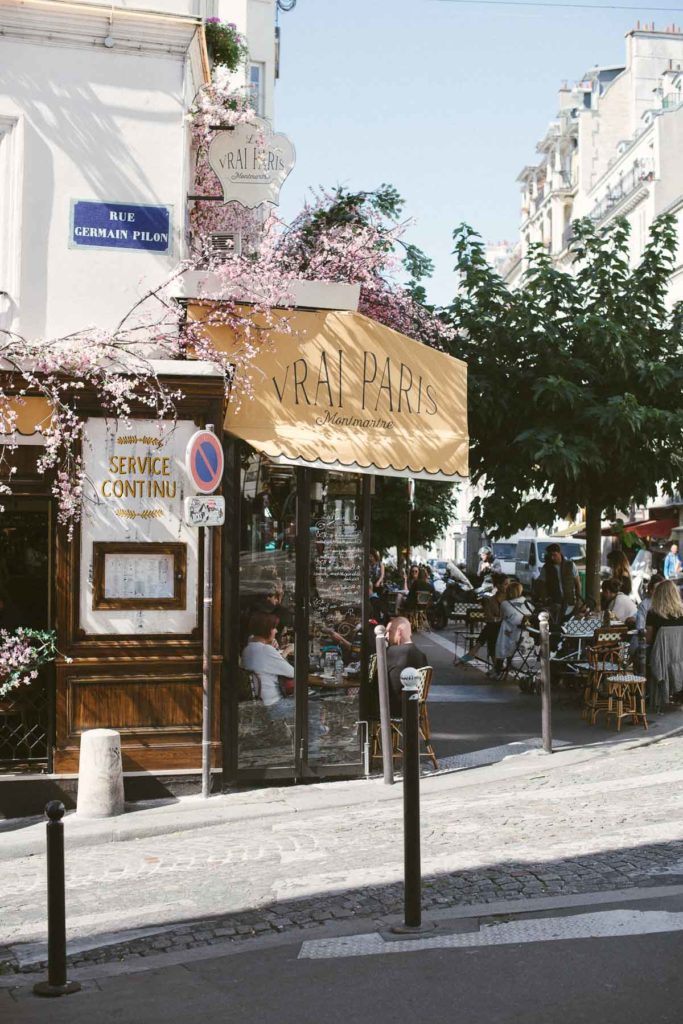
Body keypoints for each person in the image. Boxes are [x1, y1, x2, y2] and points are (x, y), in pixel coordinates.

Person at [240, 611, 294, 713]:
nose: (276, 631)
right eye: (274, 628)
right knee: (312, 706)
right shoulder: (266, 650)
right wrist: (286, 651)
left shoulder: (247, 649)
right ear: (266, 630)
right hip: (273, 705)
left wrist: (273, 650)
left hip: (259, 704)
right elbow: (292, 673)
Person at [458, 572, 508, 673]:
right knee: (491, 630)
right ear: (498, 585)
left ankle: (473, 652)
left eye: (508, 584)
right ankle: (496, 666)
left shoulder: (510, 599)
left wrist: (498, 619)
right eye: (505, 584)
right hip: (497, 628)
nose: (507, 587)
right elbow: (488, 616)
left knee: (490, 629)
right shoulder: (491, 600)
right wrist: (497, 619)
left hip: (507, 628)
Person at [384, 616, 428, 717]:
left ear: (399, 632)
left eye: (389, 632)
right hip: (414, 705)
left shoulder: (391, 652)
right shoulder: (421, 655)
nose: (386, 636)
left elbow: (375, 681)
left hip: (391, 707)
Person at [532, 543, 582, 623]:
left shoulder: (571, 565)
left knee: (570, 623)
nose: (552, 558)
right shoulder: (546, 568)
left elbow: (577, 583)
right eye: (550, 555)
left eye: (554, 555)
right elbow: (542, 585)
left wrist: (578, 598)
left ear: (559, 553)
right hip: (554, 603)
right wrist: (545, 599)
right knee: (556, 624)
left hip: (570, 602)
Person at [494, 581, 533, 678]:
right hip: (528, 638)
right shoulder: (528, 603)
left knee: (503, 625)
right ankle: (508, 663)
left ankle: (499, 664)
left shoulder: (504, 604)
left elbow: (501, 617)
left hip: (511, 639)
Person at [645, 579, 683, 644]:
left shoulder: (652, 614)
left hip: (659, 653)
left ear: (657, 595)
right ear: (676, 594)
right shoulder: (681, 612)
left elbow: (649, 640)